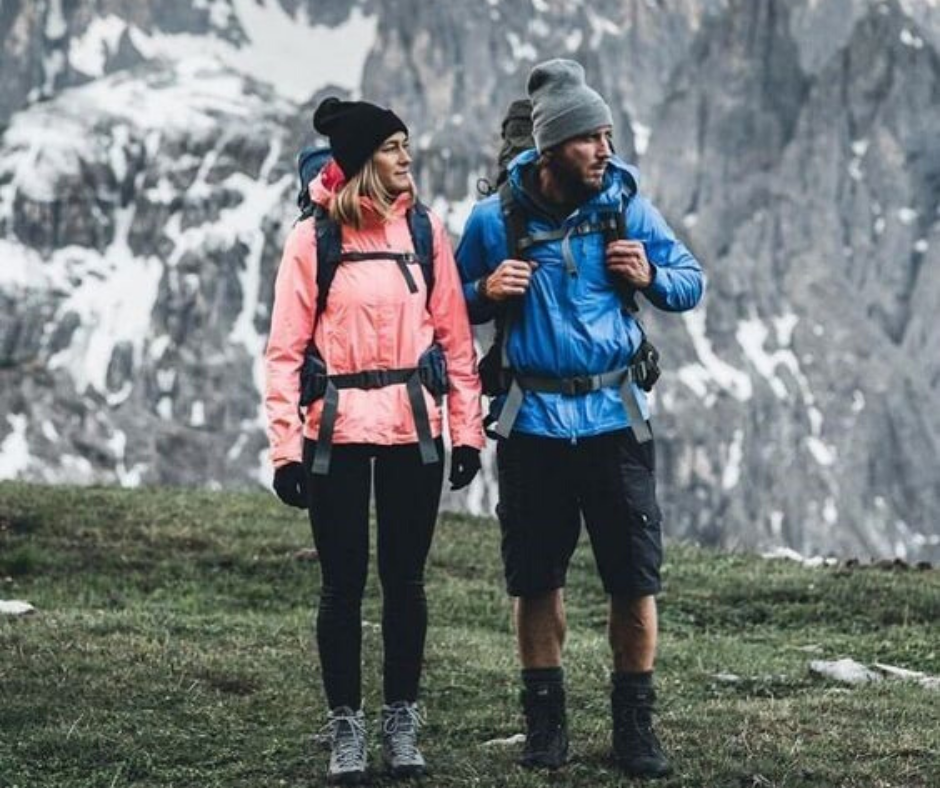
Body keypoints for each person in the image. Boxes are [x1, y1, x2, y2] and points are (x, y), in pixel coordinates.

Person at [456, 60, 704, 778]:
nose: (605, 149)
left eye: (607, 135)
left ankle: (635, 732)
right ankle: (546, 730)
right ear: (552, 146)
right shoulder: (494, 218)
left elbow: (692, 280)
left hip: (614, 421)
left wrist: (650, 277)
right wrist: (483, 287)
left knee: (634, 581)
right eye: (591, 138)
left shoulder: (626, 205)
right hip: (532, 425)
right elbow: (446, 303)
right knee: (537, 582)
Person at [265, 96, 485, 784]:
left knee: (405, 581)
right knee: (342, 585)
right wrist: (285, 451)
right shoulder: (314, 239)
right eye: (393, 147)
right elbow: (283, 351)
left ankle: (401, 720)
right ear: (363, 161)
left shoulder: (425, 232)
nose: (406, 157)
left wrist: (468, 433)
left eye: (405, 144)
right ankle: (345, 726)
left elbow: (455, 340)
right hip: (333, 434)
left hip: (413, 433)